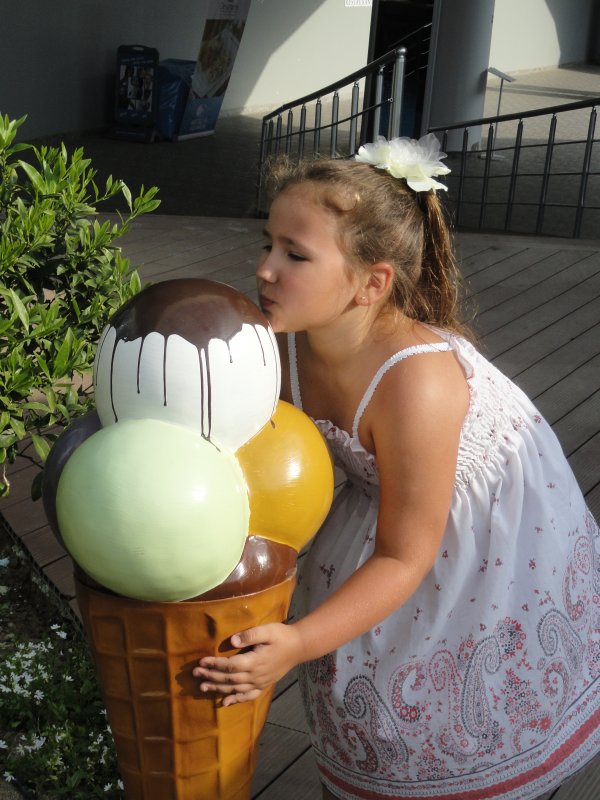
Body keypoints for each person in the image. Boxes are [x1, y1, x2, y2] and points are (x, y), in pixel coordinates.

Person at [193, 134, 600, 800]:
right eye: (267, 245)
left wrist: (296, 642)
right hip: (379, 506)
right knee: (368, 698)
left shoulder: (417, 383)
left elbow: (406, 555)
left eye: (295, 254)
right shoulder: (279, 345)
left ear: (372, 283)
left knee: (448, 697)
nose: (265, 269)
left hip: (473, 542)